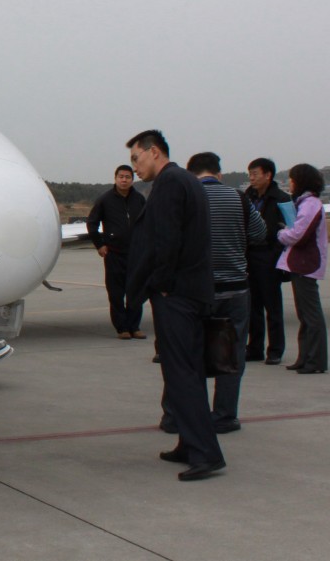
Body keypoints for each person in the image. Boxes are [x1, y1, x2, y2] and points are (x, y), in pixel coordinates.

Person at [125, 130, 225, 481]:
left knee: (181, 374)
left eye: (136, 158)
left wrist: (162, 285)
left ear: (153, 152)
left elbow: (167, 240)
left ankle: (205, 453)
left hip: (177, 295)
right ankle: (188, 443)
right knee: (189, 372)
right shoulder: (188, 180)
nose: (134, 167)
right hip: (193, 291)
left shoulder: (169, 183)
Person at [180, 152, 265, 434]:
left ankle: (180, 415)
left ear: (191, 174)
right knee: (232, 354)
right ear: (218, 173)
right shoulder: (239, 198)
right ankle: (225, 415)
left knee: (187, 353)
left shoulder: (186, 198)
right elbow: (259, 233)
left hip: (196, 290)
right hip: (235, 289)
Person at [276, 164, 328, 374]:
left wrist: (282, 234)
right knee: (304, 315)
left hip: (306, 264)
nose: (290, 183)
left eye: (292, 179)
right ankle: (305, 357)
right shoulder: (307, 203)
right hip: (302, 263)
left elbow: (298, 234)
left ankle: (315, 360)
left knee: (311, 315)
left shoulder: (310, 204)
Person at [87, 165, 147, 339]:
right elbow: (92, 223)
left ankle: (134, 326)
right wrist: (100, 245)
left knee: (135, 291)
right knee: (116, 293)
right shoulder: (105, 200)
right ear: (115, 178)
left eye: (127, 177)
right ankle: (122, 328)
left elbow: (148, 222)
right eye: (121, 177)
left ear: (132, 180)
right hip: (114, 254)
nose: (124, 180)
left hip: (136, 254)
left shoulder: (139, 199)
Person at [244, 158, 291, 364]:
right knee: (252, 306)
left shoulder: (281, 199)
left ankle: (275, 350)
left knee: (273, 306)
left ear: (268, 175)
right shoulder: (248, 197)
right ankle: (255, 348)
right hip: (249, 255)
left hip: (270, 255)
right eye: (250, 174)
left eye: (255, 174)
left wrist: (276, 253)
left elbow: (290, 227)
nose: (251, 178)